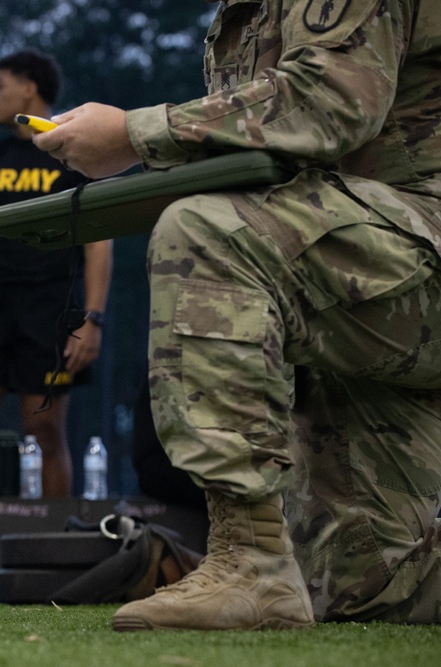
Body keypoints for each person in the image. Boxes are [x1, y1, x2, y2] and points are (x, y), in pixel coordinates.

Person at [33, 0, 441, 629]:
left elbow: (329, 101)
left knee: (205, 235)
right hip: (351, 275)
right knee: (364, 584)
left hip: (411, 250)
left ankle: (249, 563)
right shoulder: (244, 14)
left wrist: (133, 135)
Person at [0, 50, 112, 497]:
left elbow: (99, 240)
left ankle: (57, 556)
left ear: (29, 88)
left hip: (51, 312)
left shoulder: (73, 155)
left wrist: (93, 319)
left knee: (44, 435)